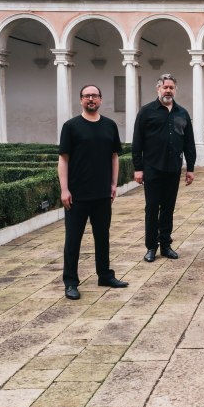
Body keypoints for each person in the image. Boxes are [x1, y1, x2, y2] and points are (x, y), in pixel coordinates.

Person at [58, 84, 129, 300]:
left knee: (103, 237)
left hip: (101, 194)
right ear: (81, 100)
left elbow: (114, 156)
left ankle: (105, 275)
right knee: (73, 240)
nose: (91, 99)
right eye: (87, 96)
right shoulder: (71, 126)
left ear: (100, 99)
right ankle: (70, 282)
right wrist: (64, 189)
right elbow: (63, 159)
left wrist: (113, 184)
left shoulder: (109, 125)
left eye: (95, 96)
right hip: (77, 194)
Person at [131, 73, 196, 263]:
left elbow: (189, 142)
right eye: (165, 87)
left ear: (175, 90)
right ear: (158, 88)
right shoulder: (146, 111)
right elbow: (137, 141)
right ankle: (151, 247)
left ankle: (166, 245)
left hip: (173, 168)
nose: (168, 90)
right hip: (152, 168)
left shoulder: (182, 113)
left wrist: (190, 168)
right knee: (152, 208)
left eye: (171, 87)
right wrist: (138, 168)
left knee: (168, 208)